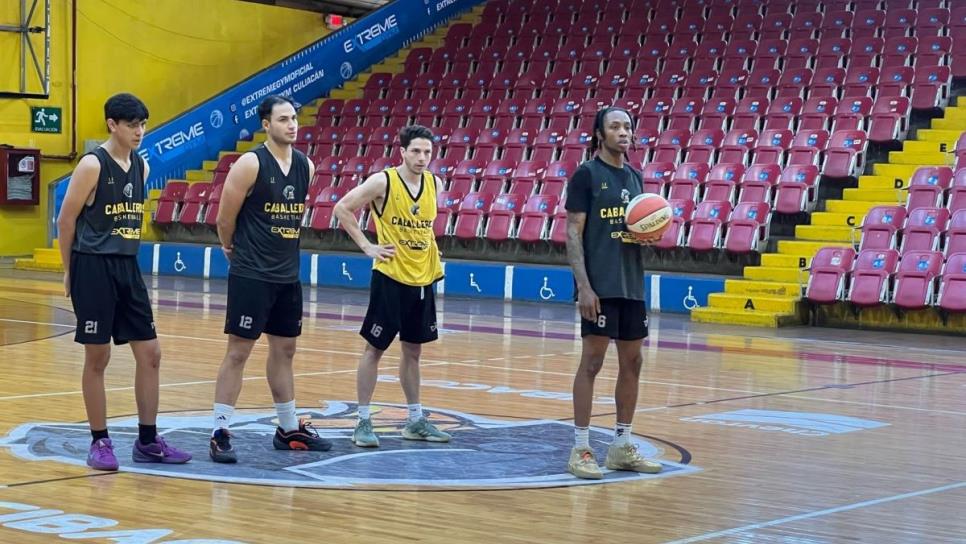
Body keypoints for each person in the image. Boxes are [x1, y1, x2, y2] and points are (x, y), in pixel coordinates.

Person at [57, 93, 192, 470]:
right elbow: (65, 221)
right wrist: (70, 270)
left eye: (143, 124)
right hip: (93, 266)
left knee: (151, 354)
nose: (139, 131)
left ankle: (147, 440)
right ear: (112, 125)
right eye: (132, 124)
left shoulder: (142, 167)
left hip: (127, 267)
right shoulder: (91, 165)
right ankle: (100, 442)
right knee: (97, 356)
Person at [209, 95, 330, 463]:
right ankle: (219, 430)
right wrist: (231, 249)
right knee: (238, 352)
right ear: (266, 124)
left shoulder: (306, 166)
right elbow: (224, 219)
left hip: (286, 275)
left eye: (294, 118)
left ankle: (288, 427)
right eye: (283, 119)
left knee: (285, 350)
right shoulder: (249, 164)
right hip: (251, 274)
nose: (291, 125)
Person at [333, 124, 450, 448]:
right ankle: (363, 421)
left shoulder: (435, 183)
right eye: (416, 151)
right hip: (390, 277)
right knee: (375, 349)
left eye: (427, 152)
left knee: (414, 351)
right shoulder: (383, 181)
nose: (422, 157)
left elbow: (423, 226)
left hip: (423, 278)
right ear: (402, 152)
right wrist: (367, 246)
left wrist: (432, 250)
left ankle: (415, 421)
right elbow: (342, 208)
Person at [564, 106, 664, 479]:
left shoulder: (636, 178)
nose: (623, 132)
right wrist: (584, 287)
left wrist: (650, 237)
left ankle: (622, 446)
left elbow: (637, 232)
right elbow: (573, 233)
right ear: (599, 134)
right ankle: (581, 449)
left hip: (631, 283)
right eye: (615, 127)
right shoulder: (586, 175)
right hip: (600, 285)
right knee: (592, 363)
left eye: (627, 127)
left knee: (633, 363)